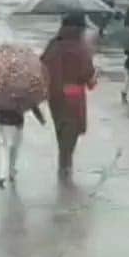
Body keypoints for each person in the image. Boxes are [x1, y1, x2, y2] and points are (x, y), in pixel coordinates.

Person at [41, 14, 97, 179]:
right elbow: (88, 75)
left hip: (55, 96)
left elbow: (42, 65)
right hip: (74, 97)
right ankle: (65, 169)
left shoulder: (53, 45)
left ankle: (63, 166)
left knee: (61, 131)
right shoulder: (81, 48)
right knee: (70, 136)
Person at [0, 104, 46, 188]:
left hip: (1, 123)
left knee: (5, 148)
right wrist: (40, 118)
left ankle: (5, 174)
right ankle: (8, 173)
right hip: (16, 123)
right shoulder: (21, 93)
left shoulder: (1, 92)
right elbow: (31, 103)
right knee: (14, 148)